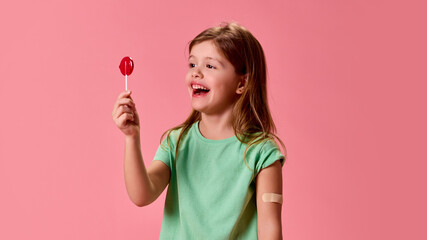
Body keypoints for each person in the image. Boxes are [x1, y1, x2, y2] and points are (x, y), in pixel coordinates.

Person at [112, 22, 287, 240]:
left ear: (241, 83)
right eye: (192, 65)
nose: (196, 73)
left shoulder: (262, 152)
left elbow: (270, 230)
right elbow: (142, 194)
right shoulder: (176, 142)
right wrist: (131, 137)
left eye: (210, 66)